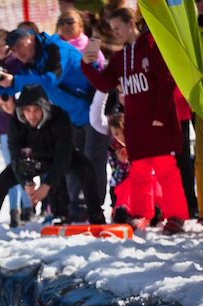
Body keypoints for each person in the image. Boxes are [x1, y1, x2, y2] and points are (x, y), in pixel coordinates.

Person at [81, 7, 189, 233]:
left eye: (118, 28)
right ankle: (142, 214)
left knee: (166, 170)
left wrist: (161, 116)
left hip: (158, 123)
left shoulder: (152, 46)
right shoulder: (120, 57)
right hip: (136, 124)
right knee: (139, 171)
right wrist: (87, 65)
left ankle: (176, 216)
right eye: (112, 29)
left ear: (131, 24)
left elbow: (167, 82)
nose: (116, 33)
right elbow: (104, 83)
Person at [0, 27, 107, 222]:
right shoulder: (33, 61)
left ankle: (95, 212)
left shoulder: (56, 50)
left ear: (31, 38)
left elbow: (49, 81)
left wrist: (13, 81)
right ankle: (77, 211)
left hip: (95, 111)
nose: (17, 52)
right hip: (73, 117)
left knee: (92, 164)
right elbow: (17, 87)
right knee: (72, 166)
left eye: (19, 46)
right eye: (13, 50)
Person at [0, 85, 106, 240]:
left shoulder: (60, 117)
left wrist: (47, 185)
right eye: (27, 111)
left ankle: (97, 218)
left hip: (58, 157)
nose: (31, 116)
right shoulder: (16, 122)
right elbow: (15, 157)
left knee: (86, 168)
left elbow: (63, 155)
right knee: (1, 182)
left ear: (45, 108)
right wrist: (26, 181)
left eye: (36, 110)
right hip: (32, 161)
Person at [0, 28, 32, 227]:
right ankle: (13, 209)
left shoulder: (17, 65)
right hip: (5, 127)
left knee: (26, 165)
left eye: (2, 45)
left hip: (23, 123)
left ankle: (28, 206)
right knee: (11, 168)